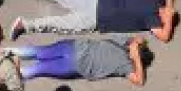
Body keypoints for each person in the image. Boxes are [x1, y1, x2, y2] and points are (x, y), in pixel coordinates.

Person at [10, 0, 177, 42]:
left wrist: (169, 6)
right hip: (98, 17)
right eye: (165, 17)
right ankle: (24, 25)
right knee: (60, 24)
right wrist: (168, 20)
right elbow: (164, 36)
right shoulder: (151, 18)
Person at [11, 36, 150, 87]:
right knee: (39, 55)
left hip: (73, 60)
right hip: (73, 52)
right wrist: (136, 49)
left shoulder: (126, 66)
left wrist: (136, 56)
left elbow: (139, 81)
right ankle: (5, 59)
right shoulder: (123, 44)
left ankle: (6, 70)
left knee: (39, 66)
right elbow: (140, 38)